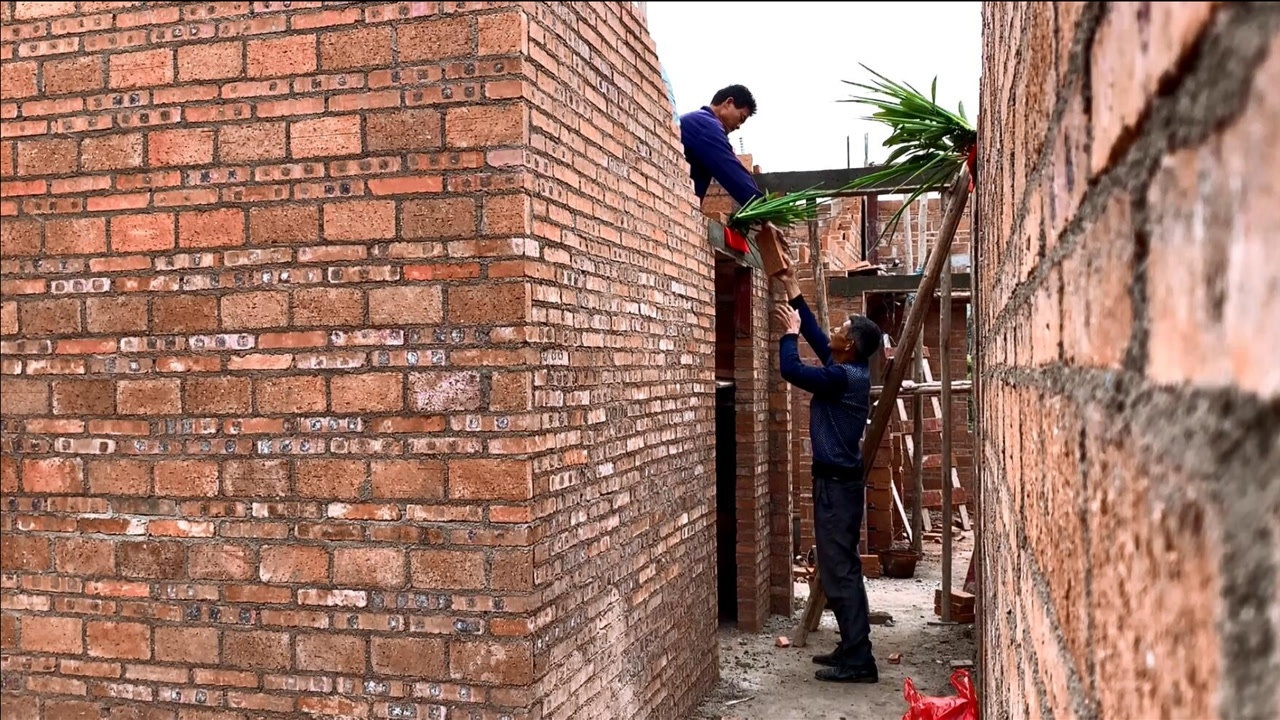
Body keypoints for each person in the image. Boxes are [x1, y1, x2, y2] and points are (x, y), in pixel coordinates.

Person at [772, 268, 883, 684]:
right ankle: (853, 646)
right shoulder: (846, 367)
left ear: (850, 345)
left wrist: (788, 334)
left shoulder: (842, 377)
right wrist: (793, 290)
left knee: (840, 570)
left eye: (842, 328)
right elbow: (819, 336)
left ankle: (860, 659)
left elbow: (793, 371)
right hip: (835, 484)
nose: (833, 330)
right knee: (839, 568)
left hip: (837, 487)